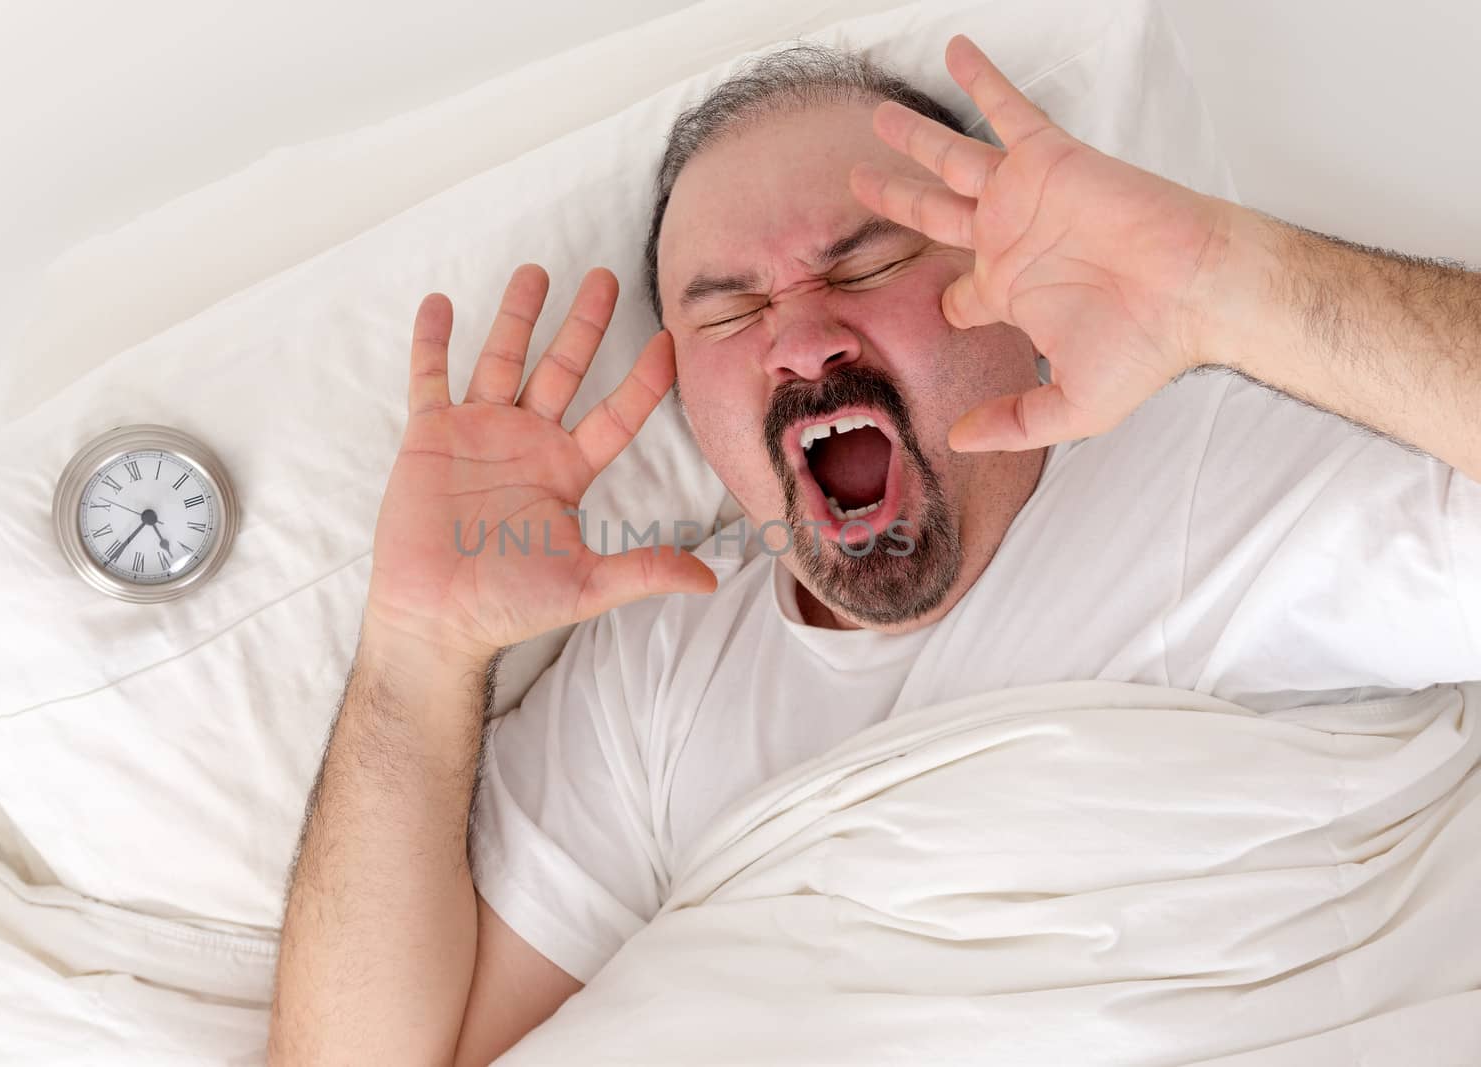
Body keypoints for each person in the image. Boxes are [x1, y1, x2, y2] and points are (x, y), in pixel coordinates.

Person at [267, 36, 1481, 1065]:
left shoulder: (1228, 474)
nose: (800, 337)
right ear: (695, 409)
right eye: (729, 311)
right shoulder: (658, 669)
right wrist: (417, 649)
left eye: (869, 260)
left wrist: (1227, 278)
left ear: (1009, 286)